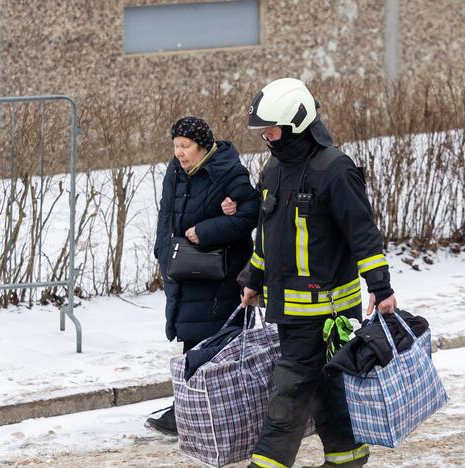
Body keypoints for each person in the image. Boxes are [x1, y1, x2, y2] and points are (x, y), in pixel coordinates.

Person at [241, 79, 397, 468]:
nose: (266, 136)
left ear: (297, 122)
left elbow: (362, 233)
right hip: (290, 312)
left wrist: (380, 285)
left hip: (327, 314)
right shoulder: (275, 168)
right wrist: (253, 279)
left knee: (288, 397)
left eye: (272, 128)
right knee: (328, 390)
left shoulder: (335, 170)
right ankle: (347, 459)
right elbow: (268, 236)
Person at [147, 116, 259, 436]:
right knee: (192, 337)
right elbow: (165, 214)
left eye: (186, 147)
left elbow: (250, 214)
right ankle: (192, 409)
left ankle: (188, 412)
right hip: (184, 269)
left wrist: (206, 231)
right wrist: (162, 251)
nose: (179, 153)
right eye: (176, 146)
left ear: (203, 147)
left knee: (209, 341)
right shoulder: (175, 171)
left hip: (217, 273)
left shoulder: (229, 171)